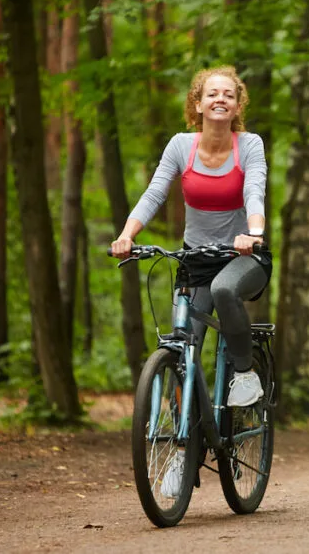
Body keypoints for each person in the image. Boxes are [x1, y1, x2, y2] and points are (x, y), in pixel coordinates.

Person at [111, 66, 271, 497]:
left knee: (223, 290)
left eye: (229, 95)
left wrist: (253, 234)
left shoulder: (249, 145)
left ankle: (242, 376)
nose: (220, 99)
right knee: (182, 349)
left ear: (237, 106)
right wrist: (128, 236)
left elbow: (255, 191)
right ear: (197, 104)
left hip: (243, 257)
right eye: (211, 94)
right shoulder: (181, 146)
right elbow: (154, 193)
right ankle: (182, 450)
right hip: (194, 259)